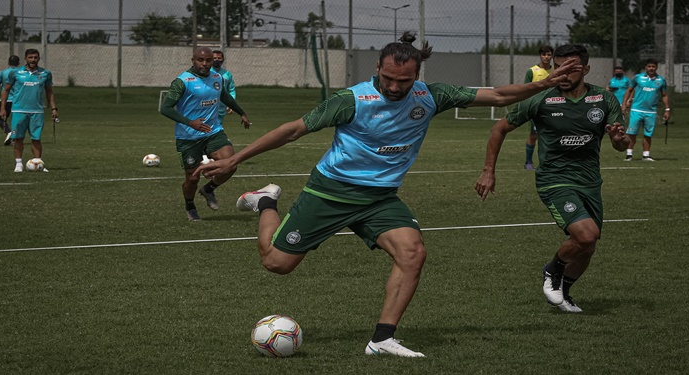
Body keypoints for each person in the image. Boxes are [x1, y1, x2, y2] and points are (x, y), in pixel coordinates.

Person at [196, 32, 581, 357]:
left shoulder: (431, 95)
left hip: (380, 198)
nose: (395, 87)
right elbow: (294, 129)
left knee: (412, 253)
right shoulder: (353, 100)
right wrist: (238, 159)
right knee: (276, 264)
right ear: (377, 70)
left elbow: (497, 95)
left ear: (417, 75)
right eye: (389, 79)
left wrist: (542, 84)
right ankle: (266, 199)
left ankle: (382, 339)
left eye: (405, 80)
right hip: (331, 192)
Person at [474, 44, 630, 313]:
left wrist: (620, 140)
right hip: (554, 180)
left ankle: (564, 291)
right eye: (560, 68)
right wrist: (489, 170)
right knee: (587, 235)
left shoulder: (604, 100)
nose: (565, 73)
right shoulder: (540, 99)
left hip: (590, 182)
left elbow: (620, 142)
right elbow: (499, 129)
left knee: (587, 247)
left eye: (572, 67)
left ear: (587, 69)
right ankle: (552, 271)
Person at [159, 46, 252, 221]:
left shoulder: (217, 77)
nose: (205, 63)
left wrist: (242, 113)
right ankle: (190, 205)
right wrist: (190, 122)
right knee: (192, 178)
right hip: (188, 137)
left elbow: (225, 96)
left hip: (213, 131)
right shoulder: (182, 81)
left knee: (230, 163)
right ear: (193, 60)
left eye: (208, 60)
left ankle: (208, 189)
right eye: (200, 60)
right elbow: (165, 108)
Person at [0, 49, 57, 173]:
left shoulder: (45, 73)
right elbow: (6, 91)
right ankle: (18, 164)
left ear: (39, 58)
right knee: (18, 138)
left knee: (36, 139)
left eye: (35, 57)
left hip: (37, 111)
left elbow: (49, 91)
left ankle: (38, 162)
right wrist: (3, 108)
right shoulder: (16, 73)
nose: (33, 60)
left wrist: (53, 108)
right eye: (30, 57)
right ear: (25, 58)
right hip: (18, 110)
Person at [621, 58, 670, 161]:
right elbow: (629, 90)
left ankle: (646, 155)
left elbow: (664, 95)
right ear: (645, 67)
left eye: (653, 66)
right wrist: (624, 104)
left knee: (648, 134)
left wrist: (667, 109)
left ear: (656, 67)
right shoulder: (638, 78)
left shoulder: (661, 80)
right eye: (649, 66)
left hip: (651, 111)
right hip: (636, 110)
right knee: (632, 133)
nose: (651, 68)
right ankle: (629, 155)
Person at [522, 45, 554, 170]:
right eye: (544, 54)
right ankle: (528, 162)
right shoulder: (532, 71)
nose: (546, 57)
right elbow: (526, 89)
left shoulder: (555, 71)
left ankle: (547, 163)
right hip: (536, 107)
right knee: (534, 135)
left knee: (551, 134)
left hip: (552, 107)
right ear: (540, 56)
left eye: (549, 54)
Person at [0, 55, 20, 146]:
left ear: (8, 62)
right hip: (18, 100)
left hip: (6, 99)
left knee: (0, 120)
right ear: (18, 63)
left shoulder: (3, 73)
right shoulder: (21, 73)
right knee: (15, 120)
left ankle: (9, 132)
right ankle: (13, 137)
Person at [211, 50, 237, 124]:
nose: (217, 60)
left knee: (217, 127)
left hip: (221, 106)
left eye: (219, 58)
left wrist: (232, 103)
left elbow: (231, 90)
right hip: (208, 104)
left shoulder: (227, 74)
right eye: (214, 58)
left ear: (223, 60)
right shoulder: (206, 72)